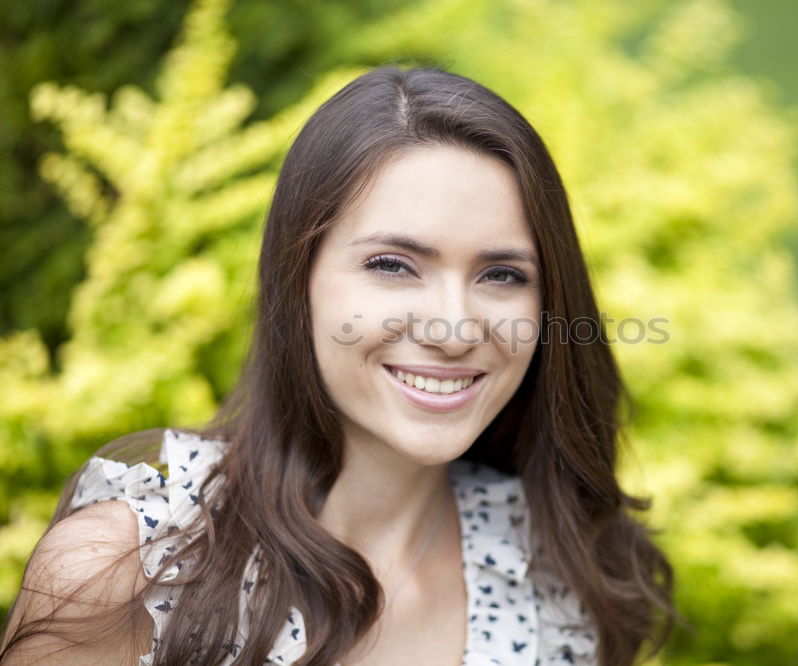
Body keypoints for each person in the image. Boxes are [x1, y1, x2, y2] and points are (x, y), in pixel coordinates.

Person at [0, 65, 677, 665]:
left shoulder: (556, 574)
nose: (454, 328)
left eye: (502, 274)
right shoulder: (127, 572)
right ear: (300, 281)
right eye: (392, 265)